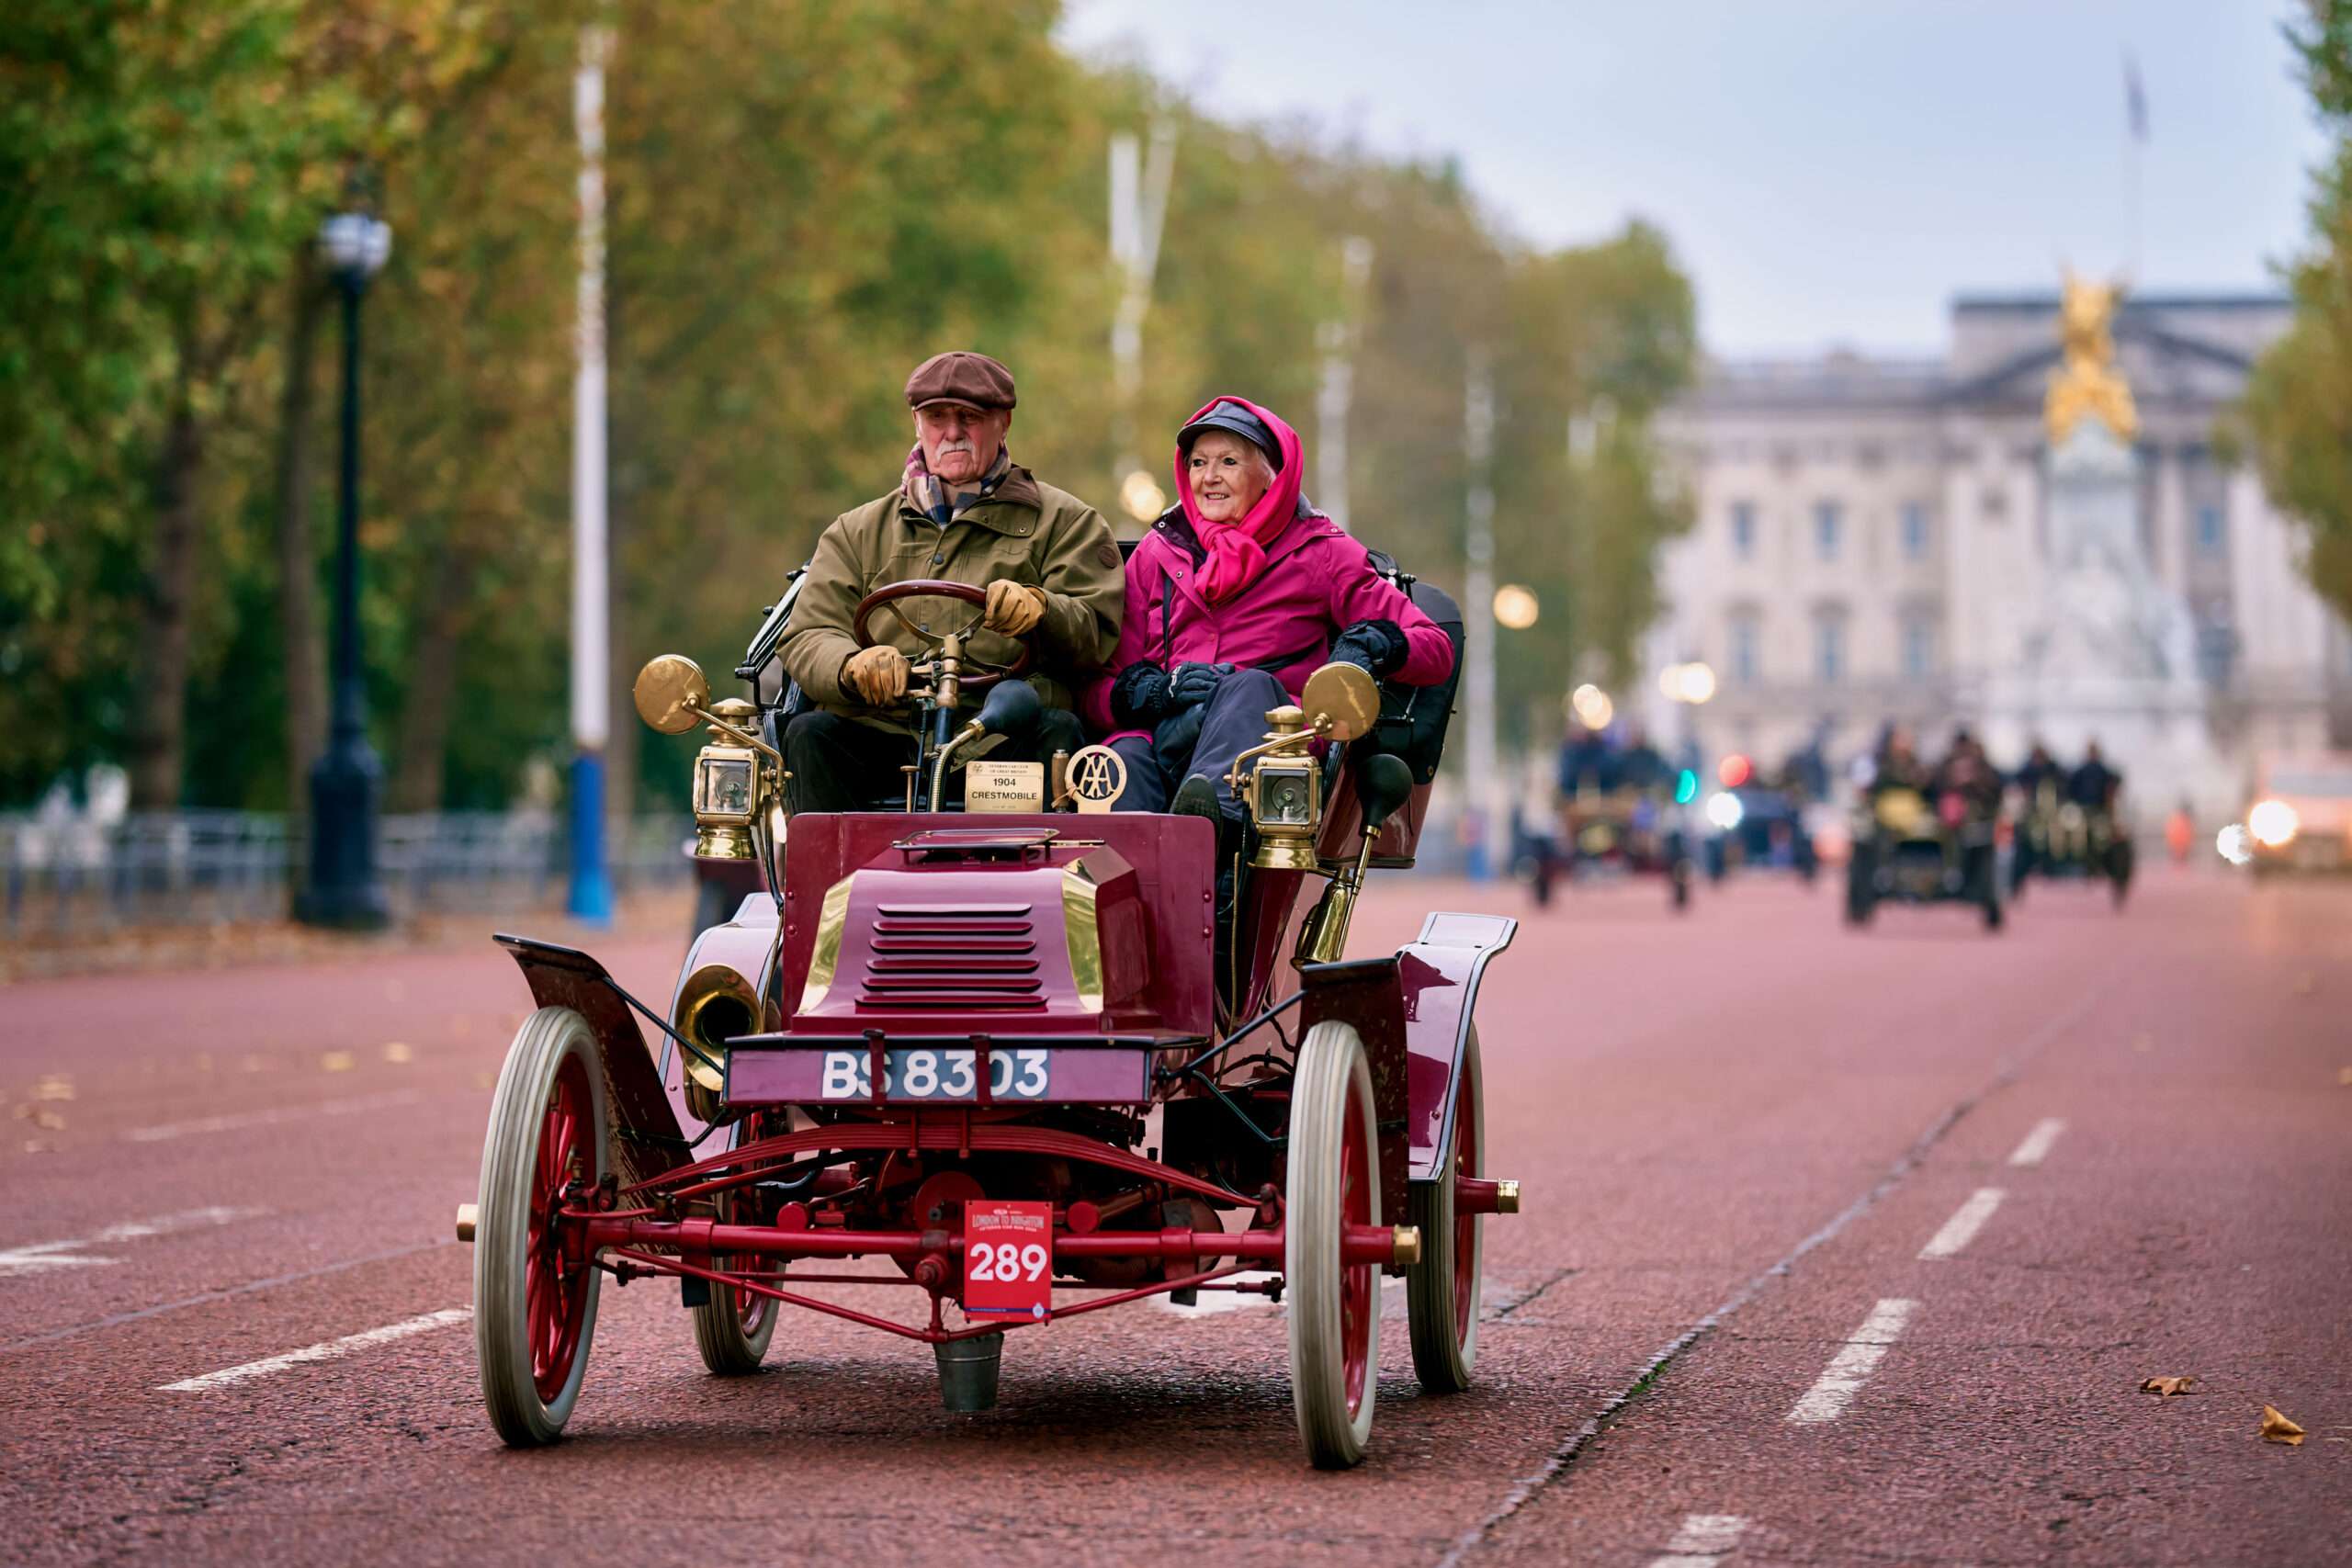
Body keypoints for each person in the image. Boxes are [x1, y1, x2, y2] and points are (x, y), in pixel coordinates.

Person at [1080, 396, 1453, 829]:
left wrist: (1372, 642)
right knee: (1122, 761)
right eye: (1198, 463)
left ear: (1271, 477)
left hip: (1270, 751)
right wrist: (1154, 692)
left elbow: (1436, 649)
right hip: (1169, 735)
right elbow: (1098, 693)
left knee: (1248, 688)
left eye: (1229, 462)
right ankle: (1140, 889)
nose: (1210, 478)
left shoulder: (1322, 552)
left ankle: (1206, 846)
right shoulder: (1155, 554)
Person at [775, 352, 1123, 812]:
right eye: (937, 417)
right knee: (810, 733)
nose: (952, 432)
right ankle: (832, 883)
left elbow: (1095, 633)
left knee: (1058, 731)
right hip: (884, 729)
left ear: (1004, 423)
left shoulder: (1067, 523)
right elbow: (808, 633)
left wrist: (1042, 609)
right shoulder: (856, 531)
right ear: (918, 424)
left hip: (1002, 734)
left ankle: (1031, 881)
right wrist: (852, 665)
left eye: (970, 417)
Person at [2068, 739, 2122, 811]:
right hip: (2082, 807)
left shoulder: (2102, 771)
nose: (2092, 754)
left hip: (2099, 808)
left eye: (2094, 751)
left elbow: (2115, 779)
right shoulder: (2081, 771)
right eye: (2091, 751)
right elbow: (2071, 786)